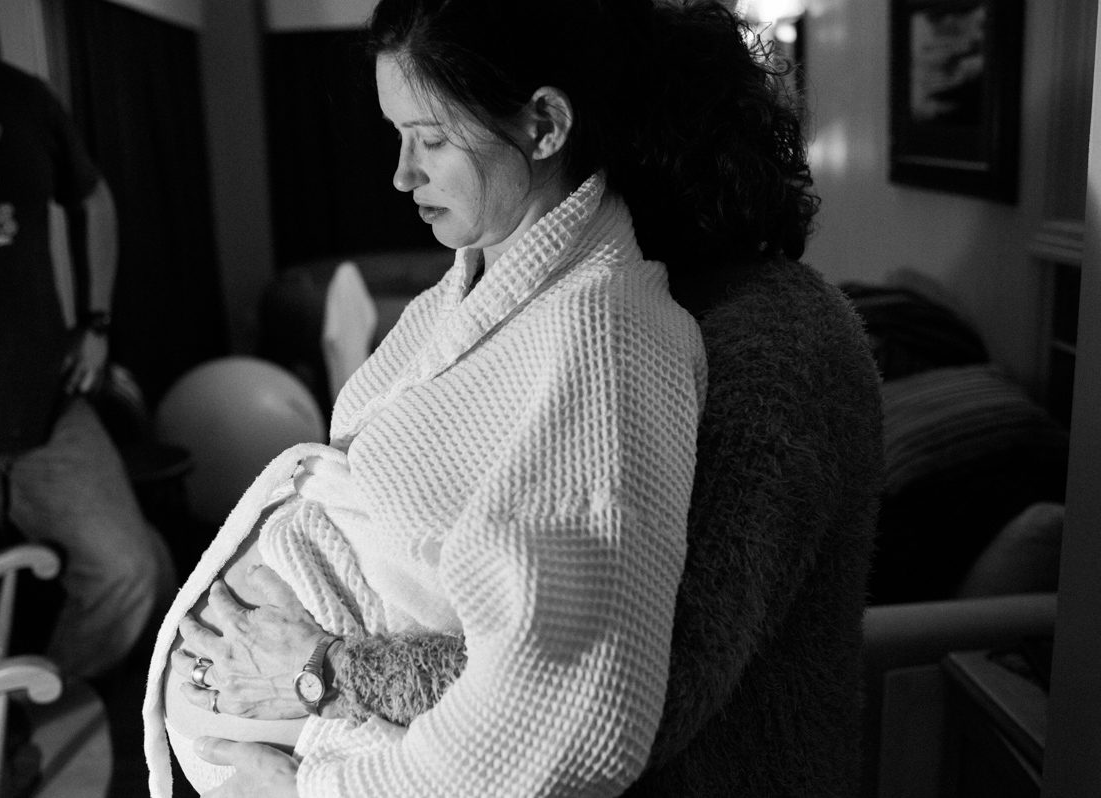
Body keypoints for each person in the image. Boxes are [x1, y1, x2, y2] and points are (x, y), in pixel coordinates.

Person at [145, 0, 882, 796]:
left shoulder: (676, 336)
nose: (402, 174)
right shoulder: (492, 287)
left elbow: (600, 691)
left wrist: (320, 681)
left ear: (552, 125)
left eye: (432, 138)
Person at [0, 0, 170, 685]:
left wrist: (96, 324)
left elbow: (93, 199)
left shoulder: (19, 96)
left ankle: (39, 699)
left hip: (48, 404)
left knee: (127, 571)